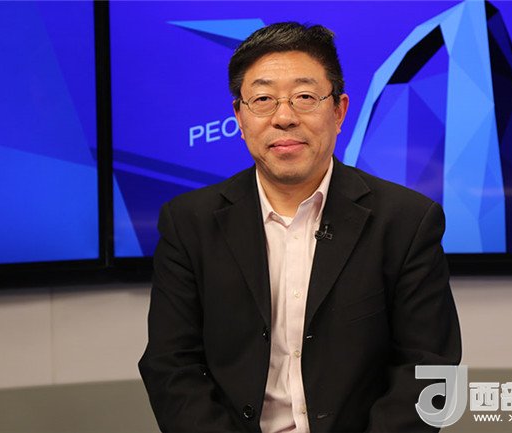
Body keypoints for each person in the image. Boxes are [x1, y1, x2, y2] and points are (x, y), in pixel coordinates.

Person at [139, 22, 461, 433]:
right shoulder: (189, 223)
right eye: (263, 100)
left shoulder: (406, 221)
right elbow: (170, 366)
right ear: (239, 117)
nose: (284, 117)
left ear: (339, 110)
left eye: (305, 97)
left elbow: (431, 369)